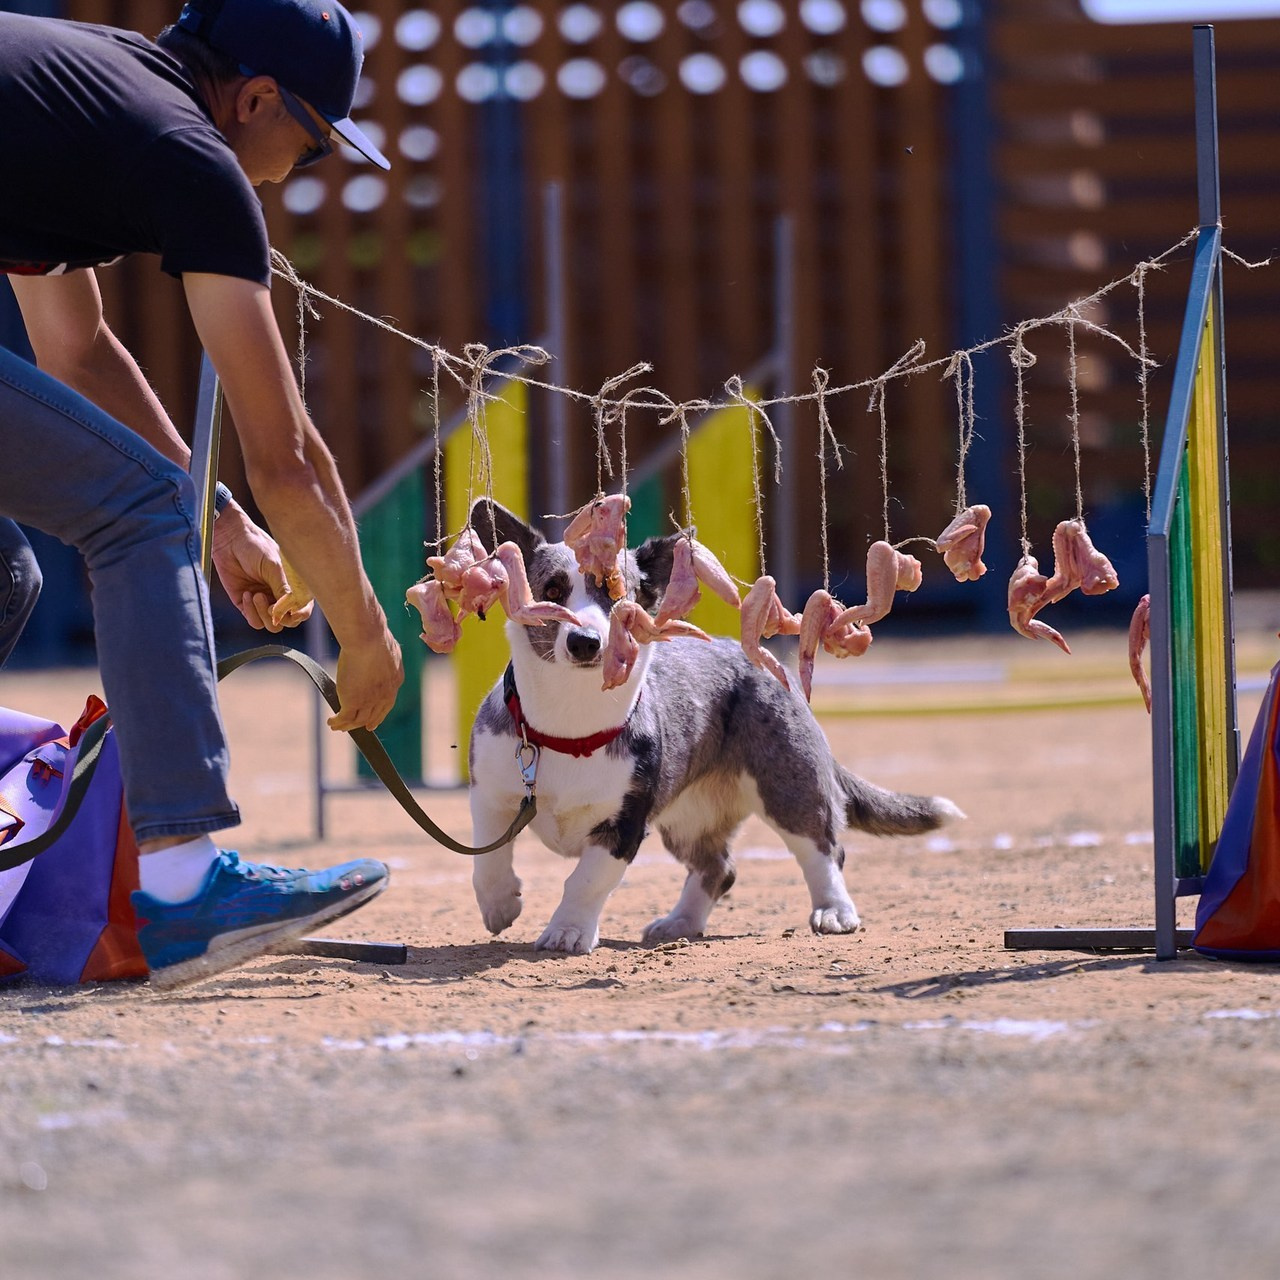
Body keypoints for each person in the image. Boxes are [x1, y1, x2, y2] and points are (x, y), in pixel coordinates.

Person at [0, 0, 405, 986]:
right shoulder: (190, 153)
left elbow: (76, 348)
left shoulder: (88, 94)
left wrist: (215, 516)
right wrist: (364, 635)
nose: (295, 173)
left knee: (7, 574)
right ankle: (187, 889)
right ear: (256, 98)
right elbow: (288, 461)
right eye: (312, 143)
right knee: (136, 513)